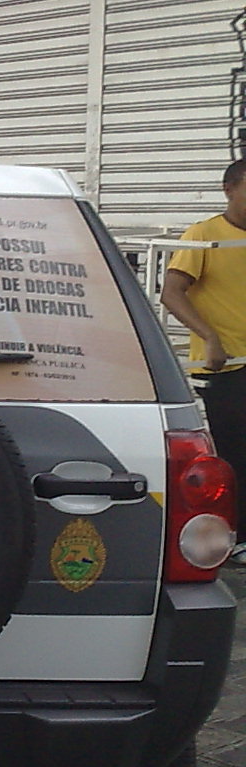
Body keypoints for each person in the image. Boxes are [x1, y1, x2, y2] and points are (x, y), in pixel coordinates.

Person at [161, 158, 246, 559]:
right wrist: (209, 336)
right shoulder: (204, 236)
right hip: (227, 367)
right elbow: (172, 292)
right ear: (229, 188)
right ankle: (236, 538)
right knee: (235, 455)